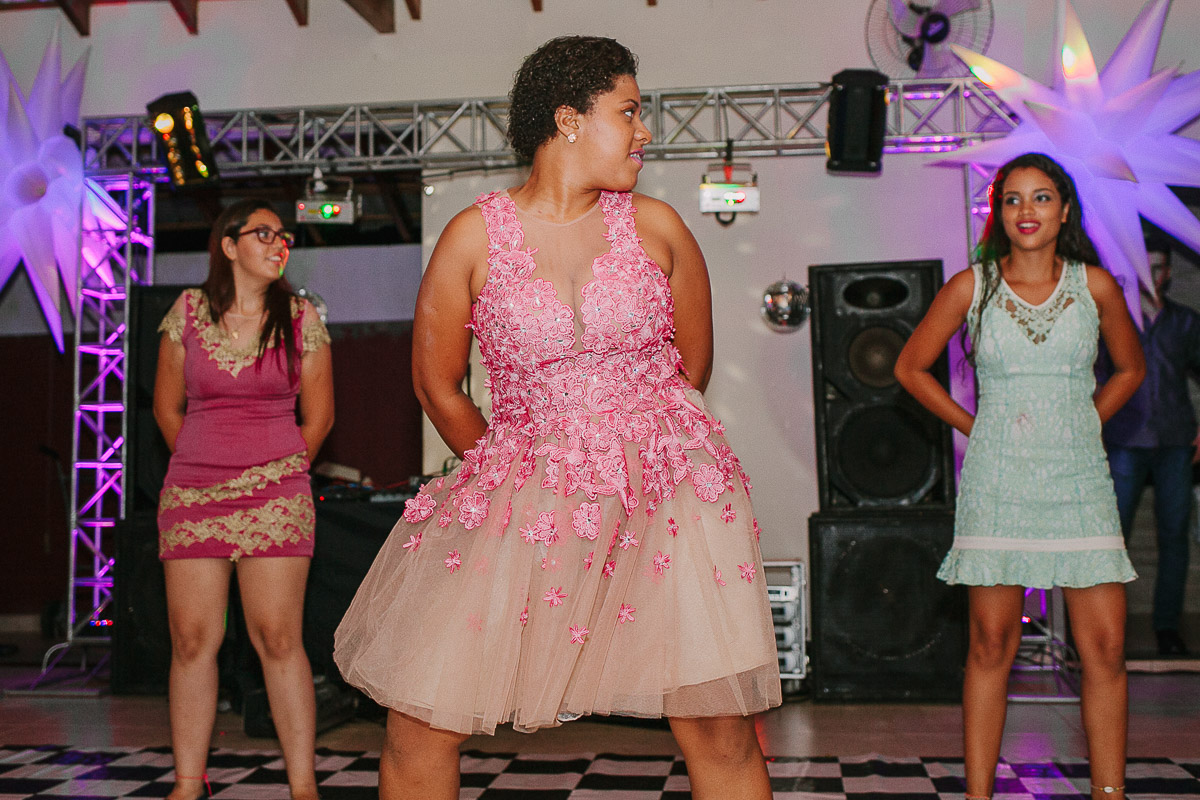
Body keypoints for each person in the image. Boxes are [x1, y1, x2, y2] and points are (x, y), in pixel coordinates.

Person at [334, 35, 780, 800]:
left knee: (717, 724)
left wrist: (633, 448)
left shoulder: (659, 228)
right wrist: (519, 472)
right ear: (568, 119)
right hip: (530, 499)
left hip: (667, 502)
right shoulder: (473, 236)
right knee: (421, 722)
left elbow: (692, 370)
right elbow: (437, 386)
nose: (645, 131)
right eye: (629, 112)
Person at [893, 153, 1145, 800]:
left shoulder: (1096, 286)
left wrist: (1084, 420)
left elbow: (1131, 369)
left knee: (1105, 649)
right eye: (1011, 199)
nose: (1025, 211)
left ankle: (1110, 795)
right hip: (998, 481)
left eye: (1040, 197)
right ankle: (978, 795)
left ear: (1064, 210)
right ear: (998, 212)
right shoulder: (971, 287)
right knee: (990, 645)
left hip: (1079, 482)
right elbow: (910, 368)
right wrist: (975, 425)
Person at [154, 199, 334, 800]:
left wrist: (276, 474)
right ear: (229, 246)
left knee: (279, 640)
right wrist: (206, 468)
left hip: (276, 496)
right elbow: (166, 408)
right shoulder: (187, 312)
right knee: (192, 642)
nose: (278, 243)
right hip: (194, 493)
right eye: (264, 233)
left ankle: (303, 787)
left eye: (284, 235)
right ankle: (187, 784)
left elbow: (320, 418)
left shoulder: (302, 317)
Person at [1096, 240, 1200, 656]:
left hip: (1176, 441)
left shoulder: (1186, 322)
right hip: (1124, 438)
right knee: (1111, 538)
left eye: (1159, 268)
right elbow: (1091, 375)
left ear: (1168, 272)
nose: (1151, 275)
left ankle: (1167, 627)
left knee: (1175, 536)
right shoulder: (1112, 319)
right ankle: (1107, 630)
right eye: (1145, 266)